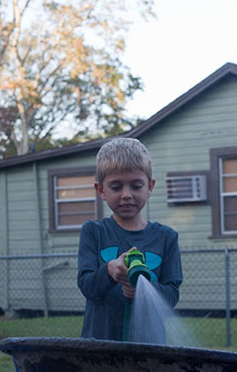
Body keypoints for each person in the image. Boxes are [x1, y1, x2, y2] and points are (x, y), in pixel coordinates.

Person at [77, 137, 183, 341]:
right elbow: (88, 287)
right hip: (99, 348)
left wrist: (144, 287)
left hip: (148, 351)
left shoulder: (166, 237)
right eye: (116, 187)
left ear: (150, 187)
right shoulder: (94, 232)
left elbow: (171, 296)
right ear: (101, 190)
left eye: (136, 186)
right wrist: (109, 270)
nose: (127, 194)